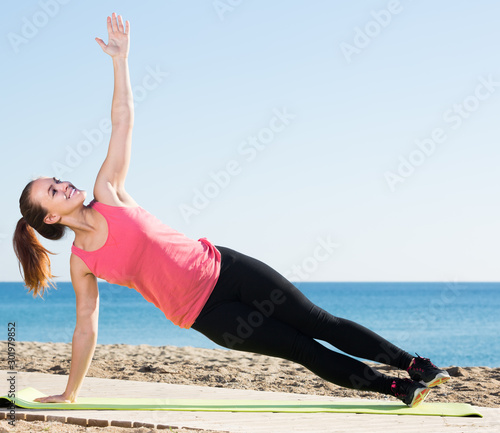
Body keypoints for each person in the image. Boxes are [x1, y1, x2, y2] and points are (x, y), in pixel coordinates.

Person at [13, 13, 450, 408]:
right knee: (302, 349)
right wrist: (70, 393)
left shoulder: (107, 192)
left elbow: (122, 120)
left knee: (320, 322)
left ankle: (415, 366)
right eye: (53, 190)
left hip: (226, 267)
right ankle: (396, 390)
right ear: (50, 217)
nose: (64, 183)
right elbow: (86, 328)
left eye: (57, 179)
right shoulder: (81, 263)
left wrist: (120, 60)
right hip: (208, 315)